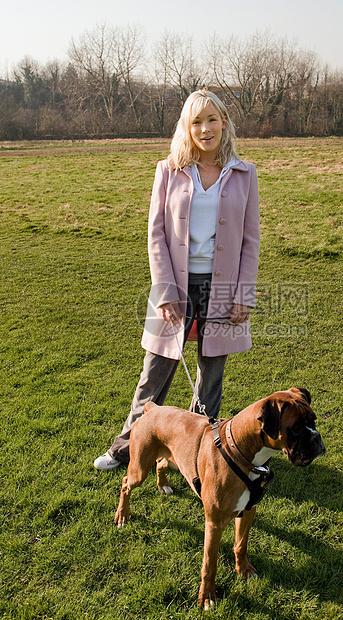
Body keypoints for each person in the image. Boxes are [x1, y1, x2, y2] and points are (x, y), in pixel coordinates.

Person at [94, 89, 260, 470]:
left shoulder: (244, 173)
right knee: (154, 375)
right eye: (196, 121)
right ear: (186, 127)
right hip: (174, 287)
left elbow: (251, 240)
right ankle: (125, 449)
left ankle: (203, 454)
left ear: (224, 123)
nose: (205, 129)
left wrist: (243, 295)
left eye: (212, 120)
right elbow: (156, 234)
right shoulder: (168, 169)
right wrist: (165, 291)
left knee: (210, 380)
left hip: (222, 289)